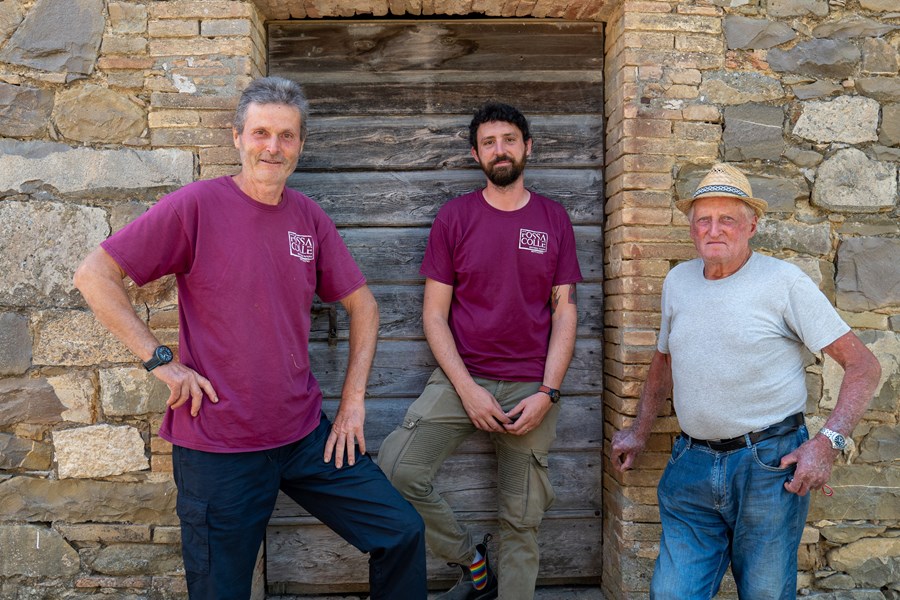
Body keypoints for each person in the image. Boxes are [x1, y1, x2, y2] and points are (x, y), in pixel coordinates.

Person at [73, 76, 426, 600]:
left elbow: (364, 306)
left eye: (286, 136)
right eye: (261, 133)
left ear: (300, 145)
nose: (273, 147)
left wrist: (352, 403)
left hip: (305, 436)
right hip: (219, 446)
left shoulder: (308, 218)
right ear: (236, 137)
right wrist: (161, 362)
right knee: (222, 590)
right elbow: (93, 275)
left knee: (401, 532)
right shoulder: (195, 207)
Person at [611, 163, 882, 599]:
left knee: (766, 593)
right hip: (691, 467)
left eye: (727, 219)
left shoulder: (783, 282)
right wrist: (640, 432)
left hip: (768, 467)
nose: (713, 229)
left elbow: (864, 366)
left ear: (752, 225)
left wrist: (827, 442)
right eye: (703, 219)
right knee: (672, 593)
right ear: (691, 226)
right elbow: (663, 362)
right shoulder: (678, 281)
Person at [377, 102, 582, 600]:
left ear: (527, 147)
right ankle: (471, 560)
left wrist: (548, 393)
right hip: (459, 378)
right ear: (475, 154)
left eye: (509, 139)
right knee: (395, 469)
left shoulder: (553, 218)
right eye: (489, 142)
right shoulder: (456, 216)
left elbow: (566, 312)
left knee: (522, 516)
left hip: (530, 388)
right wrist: (467, 390)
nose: (500, 150)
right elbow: (433, 315)